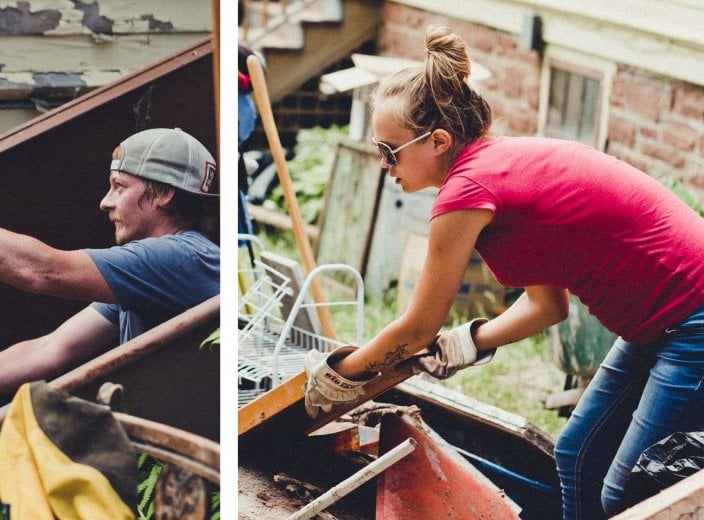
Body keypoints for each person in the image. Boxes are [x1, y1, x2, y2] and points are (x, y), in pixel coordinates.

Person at [300, 26, 704, 518]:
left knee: (632, 490)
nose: (385, 166)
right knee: (576, 454)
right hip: (658, 318)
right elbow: (546, 306)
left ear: (438, 141)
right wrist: (470, 342)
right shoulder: (499, 170)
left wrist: (339, 376)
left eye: (389, 151)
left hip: (691, 319)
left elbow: (419, 326)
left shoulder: (467, 191)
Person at [0, 128, 220, 442]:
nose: (105, 202)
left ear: (163, 195)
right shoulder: (155, 275)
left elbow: (40, 272)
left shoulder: (179, 258)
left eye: (119, 187)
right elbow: (50, 348)